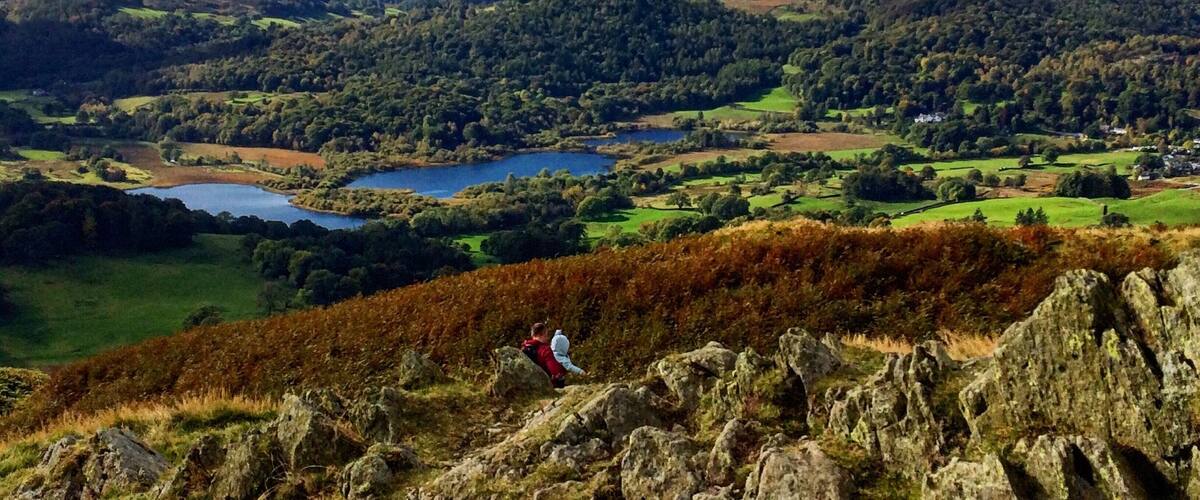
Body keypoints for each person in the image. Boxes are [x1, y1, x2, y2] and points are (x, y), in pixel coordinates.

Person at [521, 323, 566, 388]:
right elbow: (556, 371)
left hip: (527, 386)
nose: (547, 338)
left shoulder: (524, 348)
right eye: (546, 335)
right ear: (541, 335)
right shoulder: (545, 350)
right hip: (545, 386)